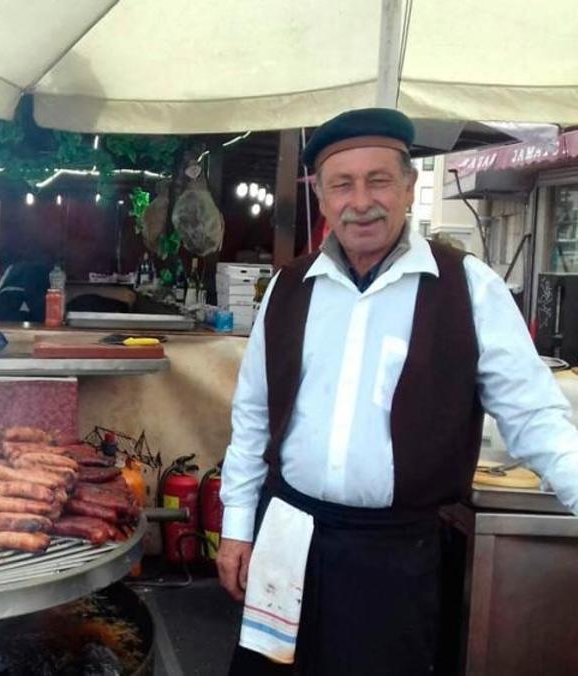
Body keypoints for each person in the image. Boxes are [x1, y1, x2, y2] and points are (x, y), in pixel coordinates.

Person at [218, 108, 578, 675]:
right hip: (285, 542)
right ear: (322, 196)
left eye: (378, 180)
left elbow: (535, 418)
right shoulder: (289, 290)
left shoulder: (468, 288)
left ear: (409, 187)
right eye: (343, 184)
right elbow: (252, 419)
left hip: (395, 557)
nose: (361, 201)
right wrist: (237, 528)